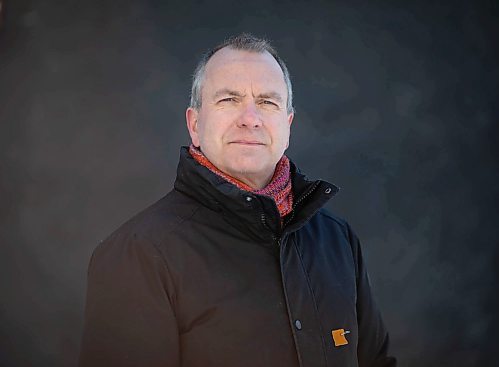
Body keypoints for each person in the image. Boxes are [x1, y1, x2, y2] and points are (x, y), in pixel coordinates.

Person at [78, 33, 396, 367]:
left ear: (288, 126)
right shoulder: (139, 254)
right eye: (228, 99)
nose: (250, 118)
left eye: (268, 102)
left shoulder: (337, 240)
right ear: (195, 124)